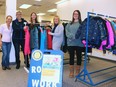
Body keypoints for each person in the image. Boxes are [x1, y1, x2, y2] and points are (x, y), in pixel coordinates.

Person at [66, 10, 84, 78]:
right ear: (73, 15)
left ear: (79, 15)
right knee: (71, 58)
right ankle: (71, 72)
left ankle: (77, 72)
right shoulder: (69, 24)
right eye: (74, 14)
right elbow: (67, 32)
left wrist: (76, 37)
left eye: (77, 14)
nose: (75, 15)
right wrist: (73, 36)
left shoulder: (81, 24)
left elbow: (82, 33)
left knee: (79, 57)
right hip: (71, 43)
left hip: (79, 43)